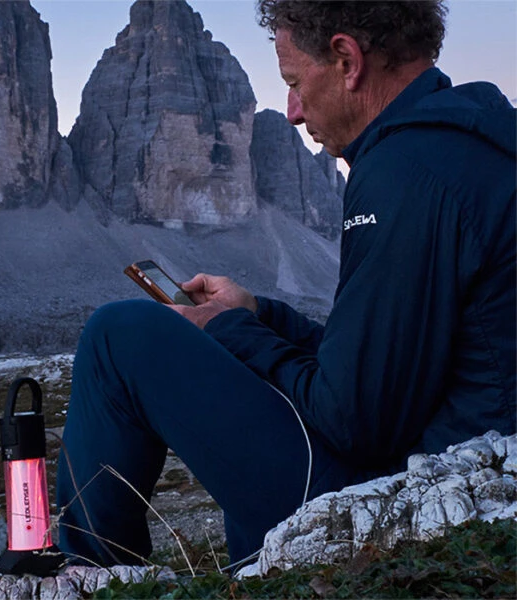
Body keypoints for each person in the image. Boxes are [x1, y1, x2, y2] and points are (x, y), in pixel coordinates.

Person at [57, 0, 516, 569]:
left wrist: (230, 329)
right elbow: (386, 368)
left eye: (295, 82)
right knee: (248, 372)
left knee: (118, 335)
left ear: (347, 60)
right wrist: (259, 315)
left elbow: (354, 422)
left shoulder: (403, 172)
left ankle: (85, 577)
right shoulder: (474, 140)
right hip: (473, 462)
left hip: (422, 501)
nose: (293, 112)